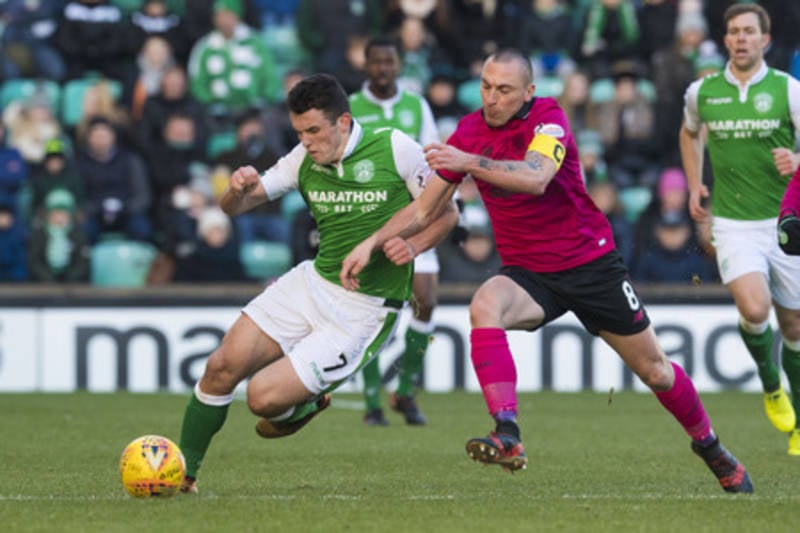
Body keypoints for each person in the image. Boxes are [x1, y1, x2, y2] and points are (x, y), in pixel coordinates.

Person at [342, 48, 753, 493]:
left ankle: (711, 446)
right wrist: (373, 243)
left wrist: (469, 162)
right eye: (485, 86)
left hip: (591, 266)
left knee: (655, 371)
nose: (492, 98)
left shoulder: (549, 119)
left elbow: (536, 176)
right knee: (485, 305)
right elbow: (425, 208)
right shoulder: (468, 131)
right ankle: (507, 432)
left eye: (504, 90)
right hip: (529, 274)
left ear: (529, 93)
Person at [177, 73, 458, 494]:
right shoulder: (302, 159)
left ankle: (307, 405)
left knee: (262, 400)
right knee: (220, 368)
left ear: (343, 123)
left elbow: (447, 212)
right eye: (299, 132)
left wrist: (415, 247)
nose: (306, 142)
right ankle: (182, 475)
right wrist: (237, 191)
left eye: (313, 131)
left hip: (365, 311)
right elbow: (238, 206)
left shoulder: (395, 147)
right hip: (312, 284)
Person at [679, 3, 800, 456]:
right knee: (755, 307)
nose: (742, 38)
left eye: (750, 31)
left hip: (787, 222)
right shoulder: (703, 92)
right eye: (734, 32)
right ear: (726, 39)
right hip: (732, 223)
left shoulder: (789, 90)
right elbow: (689, 133)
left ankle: (799, 426)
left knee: (794, 327)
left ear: (765, 40)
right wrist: (694, 184)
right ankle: (771, 387)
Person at [348, 35, 442, 426]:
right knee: (372, 310)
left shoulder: (415, 104)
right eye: (377, 62)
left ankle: (404, 389)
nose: (384, 68)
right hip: (369, 220)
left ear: (399, 65)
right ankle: (372, 401)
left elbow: (434, 153)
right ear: (365, 64)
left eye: (390, 62)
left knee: (426, 301)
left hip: (415, 214)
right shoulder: (350, 108)